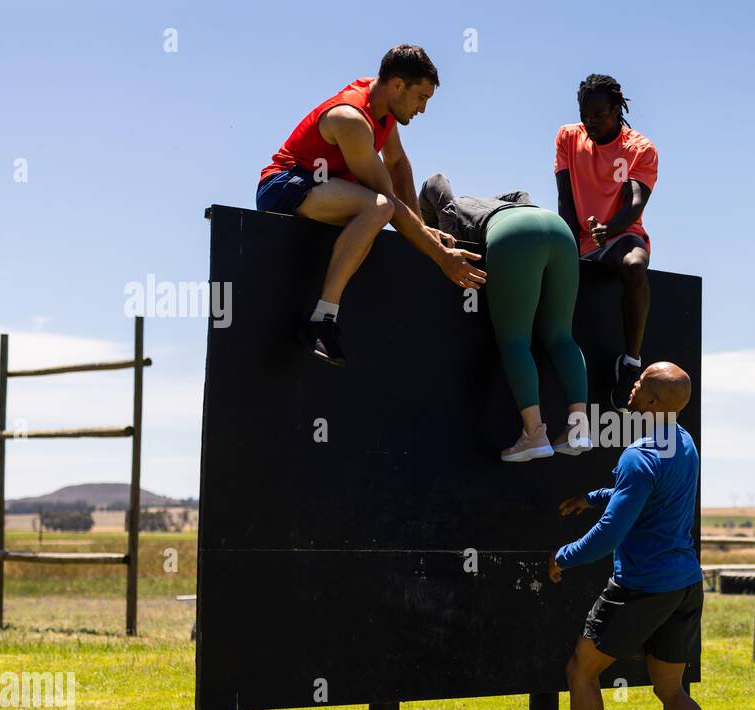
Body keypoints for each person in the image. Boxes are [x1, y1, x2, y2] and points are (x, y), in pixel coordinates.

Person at [544, 363, 742, 710]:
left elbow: (611, 533)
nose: (632, 384)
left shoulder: (639, 455)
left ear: (651, 403)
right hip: (685, 586)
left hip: (641, 588)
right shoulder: (683, 442)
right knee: (671, 690)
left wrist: (564, 556)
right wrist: (591, 496)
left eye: (641, 383)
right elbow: (634, 488)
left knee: (581, 671)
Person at [256, 44, 486, 367]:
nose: (423, 109)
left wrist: (427, 232)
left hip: (325, 189)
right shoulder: (352, 119)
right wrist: (441, 258)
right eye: (421, 97)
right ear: (397, 86)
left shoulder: (384, 107)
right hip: (283, 185)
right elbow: (387, 199)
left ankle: (323, 319)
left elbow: (398, 166)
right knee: (378, 208)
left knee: (380, 207)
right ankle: (322, 320)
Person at [419, 174, 590, 461]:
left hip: (512, 234)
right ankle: (579, 429)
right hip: (556, 229)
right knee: (561, 336)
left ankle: (535, 434)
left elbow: (434, 181)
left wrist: (424, 227)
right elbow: (521, 192)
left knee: (514, 340)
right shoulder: (496, 201)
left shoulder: (451, 214)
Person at [554, 74, 658, 411]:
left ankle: (630, 363)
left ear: (617, 109)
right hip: (581, 241)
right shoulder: (568, 138)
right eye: (586, 115)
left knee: (635, 265)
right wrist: (570, 250)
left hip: (621, 237)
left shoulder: (639, 148)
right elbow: (565, 201)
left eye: (599, 115)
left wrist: (608, 228)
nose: (590, 122)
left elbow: (635, 205)